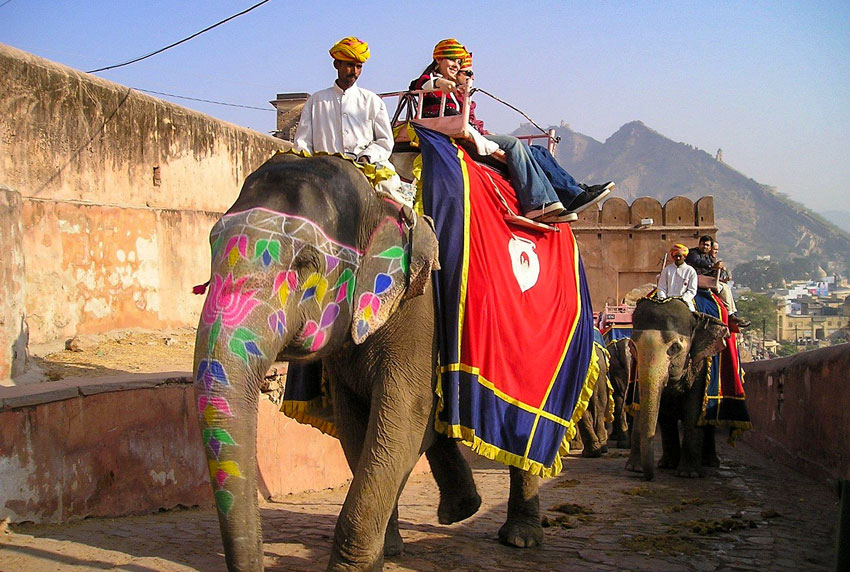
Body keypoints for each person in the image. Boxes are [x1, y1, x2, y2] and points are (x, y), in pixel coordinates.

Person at [410, 39, 613, 224]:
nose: (456, 66)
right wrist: (440, 83)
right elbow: (418, 85)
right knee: (514, 144)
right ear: (438, 59)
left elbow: (472, 120)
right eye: (451, 60)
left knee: (538, 152)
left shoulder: (458, 90)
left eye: (459, 62)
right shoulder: (432, 82)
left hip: (472, 132)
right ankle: (537, 203)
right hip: (455, 133)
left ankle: (574, 193)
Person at [294, 37, 405, 204]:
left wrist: (366, 157)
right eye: (349, 65)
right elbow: (302, 143)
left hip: (365, 170)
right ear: (336, 65)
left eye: (359, 67)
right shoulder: (316, 101)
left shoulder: (372, 101)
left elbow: (384, 141)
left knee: (393, 197)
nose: (354, 71)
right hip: (322, 172)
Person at [686, 236, 749, 327]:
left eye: (707, 245)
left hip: (705, 279)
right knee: (724, 288)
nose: (705, 247)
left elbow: (711, 271)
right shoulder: (693, 253)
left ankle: (733, 312)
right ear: (699, 244)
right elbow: (698, 262)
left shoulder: (708, 257)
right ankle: (730, 314)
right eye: (703, 244)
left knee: (725, 286)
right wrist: (713, 265)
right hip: (694, 279)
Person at [656, 243, 698, 310]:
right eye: (675, 256)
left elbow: (692, 290)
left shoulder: (690, 271)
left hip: (684, 302)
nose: (677, 258)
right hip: (667, 302)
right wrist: (662, 298)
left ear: (684, 257)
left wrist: (682, 299)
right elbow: (661, 287)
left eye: (680, 256)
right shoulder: (667, 270)